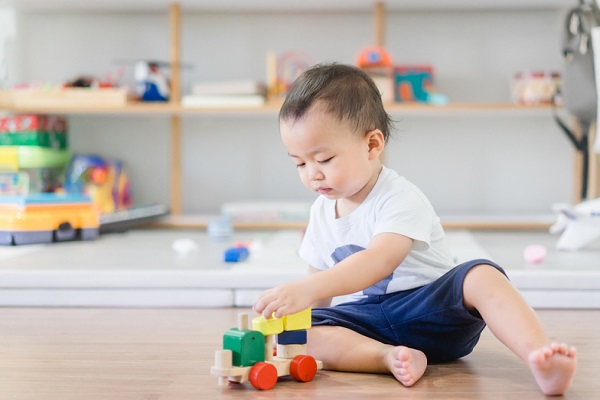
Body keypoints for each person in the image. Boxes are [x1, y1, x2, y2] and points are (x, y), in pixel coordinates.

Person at [253, 63, 577, 395]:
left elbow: (381, 259)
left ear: (372, 145)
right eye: (300, 163)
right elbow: (319, 296)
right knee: (302, 335)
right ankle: (389, 358)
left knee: (481, 274)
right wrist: (295, 320)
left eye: (323, 160)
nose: (312, 175)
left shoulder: (398, 196)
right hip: (370, 325)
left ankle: (539, 355)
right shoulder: (321, 212)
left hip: (431, 311)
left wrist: (306, 288)